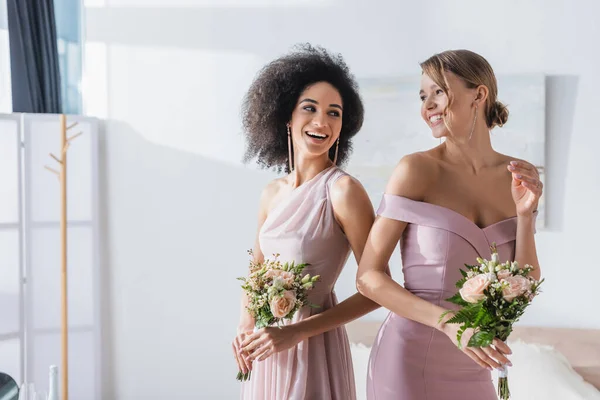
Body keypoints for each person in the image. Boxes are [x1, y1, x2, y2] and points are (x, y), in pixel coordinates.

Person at [356, 49, 543, 400]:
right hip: (409, 360)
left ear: (479, 94)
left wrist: (525, 215)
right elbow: (368, 277)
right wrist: (451, 325)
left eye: (438, 91)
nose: (427, 106)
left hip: (476, 362)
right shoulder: (416, 170)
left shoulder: (517, 176)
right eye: (423, 96)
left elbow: (526, 282)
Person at [233, 44, 380, 400]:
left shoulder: (343, 191)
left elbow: (376, 289)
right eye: (309, 108)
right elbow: (256, 270)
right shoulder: (271, 193)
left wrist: (297, 332)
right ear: (286, 117)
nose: (322, 122)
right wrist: (245, 327)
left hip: (314, 348)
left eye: (334, 113)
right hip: (266, 348)